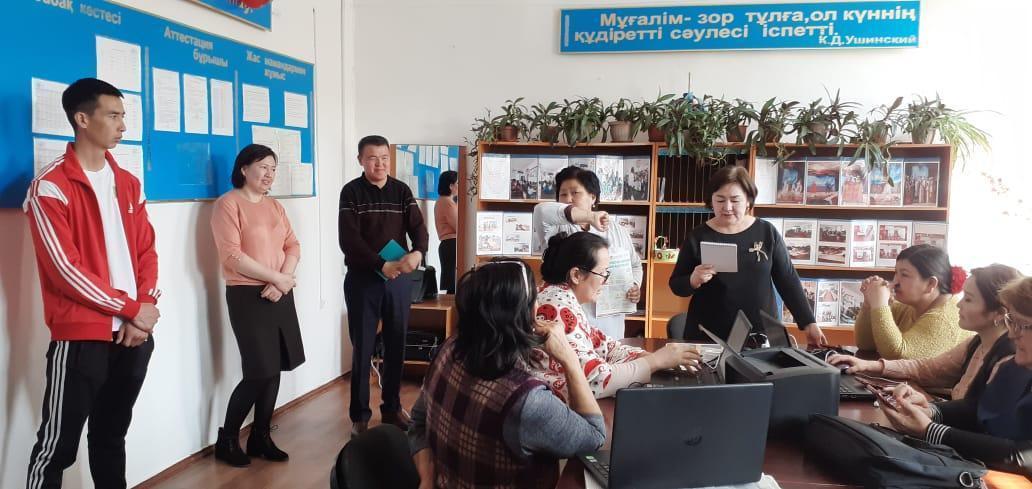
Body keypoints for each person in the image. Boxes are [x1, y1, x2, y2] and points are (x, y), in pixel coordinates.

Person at [24, 78, 161, 488]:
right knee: (56, 449)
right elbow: (65, 271)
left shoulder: (128, 183)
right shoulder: (50, 186)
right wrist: (133, 309)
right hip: (82, 338)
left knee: (110, 438)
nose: (123, 126)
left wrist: (142, 311)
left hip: (133, 335)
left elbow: (147, 252)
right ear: (82, 119)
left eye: (123, 116)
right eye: (113, 115)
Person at [408, 258, 605, 489]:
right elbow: (593, 439)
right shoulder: (526, 401)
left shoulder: (448, 349)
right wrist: (569, 359)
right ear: (526, 314)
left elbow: (418, 420)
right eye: (535, 299)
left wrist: (427, 477)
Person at [210, 144, 306, 466]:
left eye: (273, 168)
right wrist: (277, 278)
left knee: (274, 368)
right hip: (246, 295)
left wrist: (283, 280)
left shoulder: (275, 206)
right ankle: (227, 440)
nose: (269, 174)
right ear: (244, 169)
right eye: (263, 166)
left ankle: (260, 437)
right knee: (258, 370)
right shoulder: (228, 204)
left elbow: (293, 245)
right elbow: (232, 256)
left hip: (279, 292)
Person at [882, 276, 1032, 476]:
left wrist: (930, 431)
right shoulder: (1013, 367)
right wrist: (930, 411)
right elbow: (977, 408)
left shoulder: (1009, 357)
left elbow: (1023, 456)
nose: (1012, 334)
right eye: (1011, 322)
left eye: (1022, 325)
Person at [529, 232, 700, 399]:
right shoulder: (556, 308)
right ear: (576, 275)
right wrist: (656, 361)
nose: (606, 281)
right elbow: (595, 381)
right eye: (603, 273)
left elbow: (605, 345)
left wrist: (655, 358)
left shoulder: (558, 296)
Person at [669, 165, 825, 344]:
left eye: (735, 200)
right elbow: (676, 285)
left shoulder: (766, 232)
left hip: (760, 333)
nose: (727, 207)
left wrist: (808, 322)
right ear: (711, 201)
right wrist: (693, 279)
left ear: (748, 201)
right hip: (709, 334)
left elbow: (788, 280)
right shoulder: (698, 236)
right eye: (720, 200)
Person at [339, 135, 429, 435]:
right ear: (361, 160)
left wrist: (418, 252)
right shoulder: (351, 192)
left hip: (398, 279)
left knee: (396, 345)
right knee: (363, 347)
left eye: (384, 158)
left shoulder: (401, 190)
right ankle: (360, 416)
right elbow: (349, 240)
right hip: (363, 280)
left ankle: (391, 409)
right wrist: (380, 264)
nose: (379, 164)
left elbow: (418, 227)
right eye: (372, 158)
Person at [830, 264, 1021, 400]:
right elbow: (927, 368)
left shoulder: (1007, 359)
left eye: (969, 299)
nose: (959, 304)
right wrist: (868, 365)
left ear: (999, 312)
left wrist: (929, 409)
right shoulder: (977, 343)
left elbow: (976, 420)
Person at [533, 166, 642, 339]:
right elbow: (541, 211)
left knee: (610, 352)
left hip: (610, 323)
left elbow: (635, 265)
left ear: (593, 197)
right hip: (567, 321)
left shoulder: (618, 231)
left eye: (575, 193)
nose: (568, 199)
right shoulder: (554, 228)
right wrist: (589, 217)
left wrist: (634, 285)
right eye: (563, 194)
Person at [854, 244, 970, 360]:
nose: (895, 281)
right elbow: (865, 344)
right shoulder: (909, 305)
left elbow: (899, 356)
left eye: (904, 275)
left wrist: (880, 305)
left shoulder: (945, 320)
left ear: (930, 284)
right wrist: (869, 304)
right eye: (896, 272)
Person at [434, 170, 458, 294]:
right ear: (451, 186)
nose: (459, 187)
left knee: (452, 284)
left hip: (449, 245)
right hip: (451, 244)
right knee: (452, 285)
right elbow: (458, 226)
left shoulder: (444, 201)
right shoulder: (446, 202)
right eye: (458, 183)